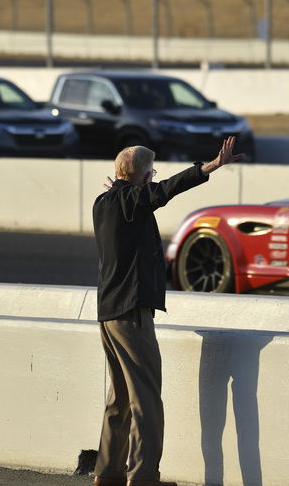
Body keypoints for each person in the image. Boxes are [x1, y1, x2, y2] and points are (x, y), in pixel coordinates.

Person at [92, 137, 244, 486]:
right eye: (151, 173)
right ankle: (143, 476)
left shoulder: (104, 201)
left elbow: (137, 197)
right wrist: (209, 167)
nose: (154, 178)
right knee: (146, 398)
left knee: (119, 398)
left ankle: (108, 473)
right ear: (144, 177)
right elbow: (167, 190)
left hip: (108, 312)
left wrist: (124, 186)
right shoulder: (133, 199)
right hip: (132, 312)